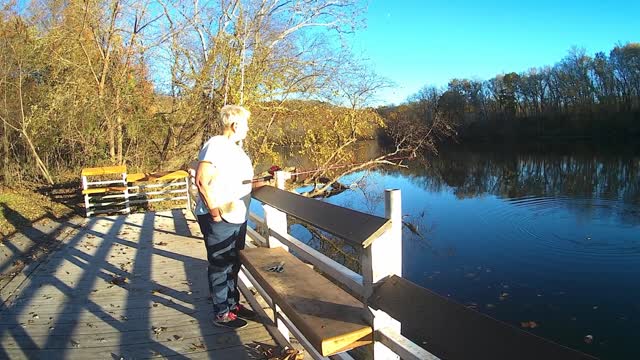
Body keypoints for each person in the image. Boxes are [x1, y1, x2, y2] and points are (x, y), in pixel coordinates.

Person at [194, 105, 261, 329]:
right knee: (220, 265)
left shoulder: (235, 149)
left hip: (237, 216)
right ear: (235, 125)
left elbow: (239, 182)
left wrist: (266, 180)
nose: (248, 129)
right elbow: (202, 180)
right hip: (221, 218)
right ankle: (221, 313)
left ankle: (232, 305)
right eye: (246, 125)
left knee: (234, 264)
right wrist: (214, 211)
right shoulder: (216, 145)